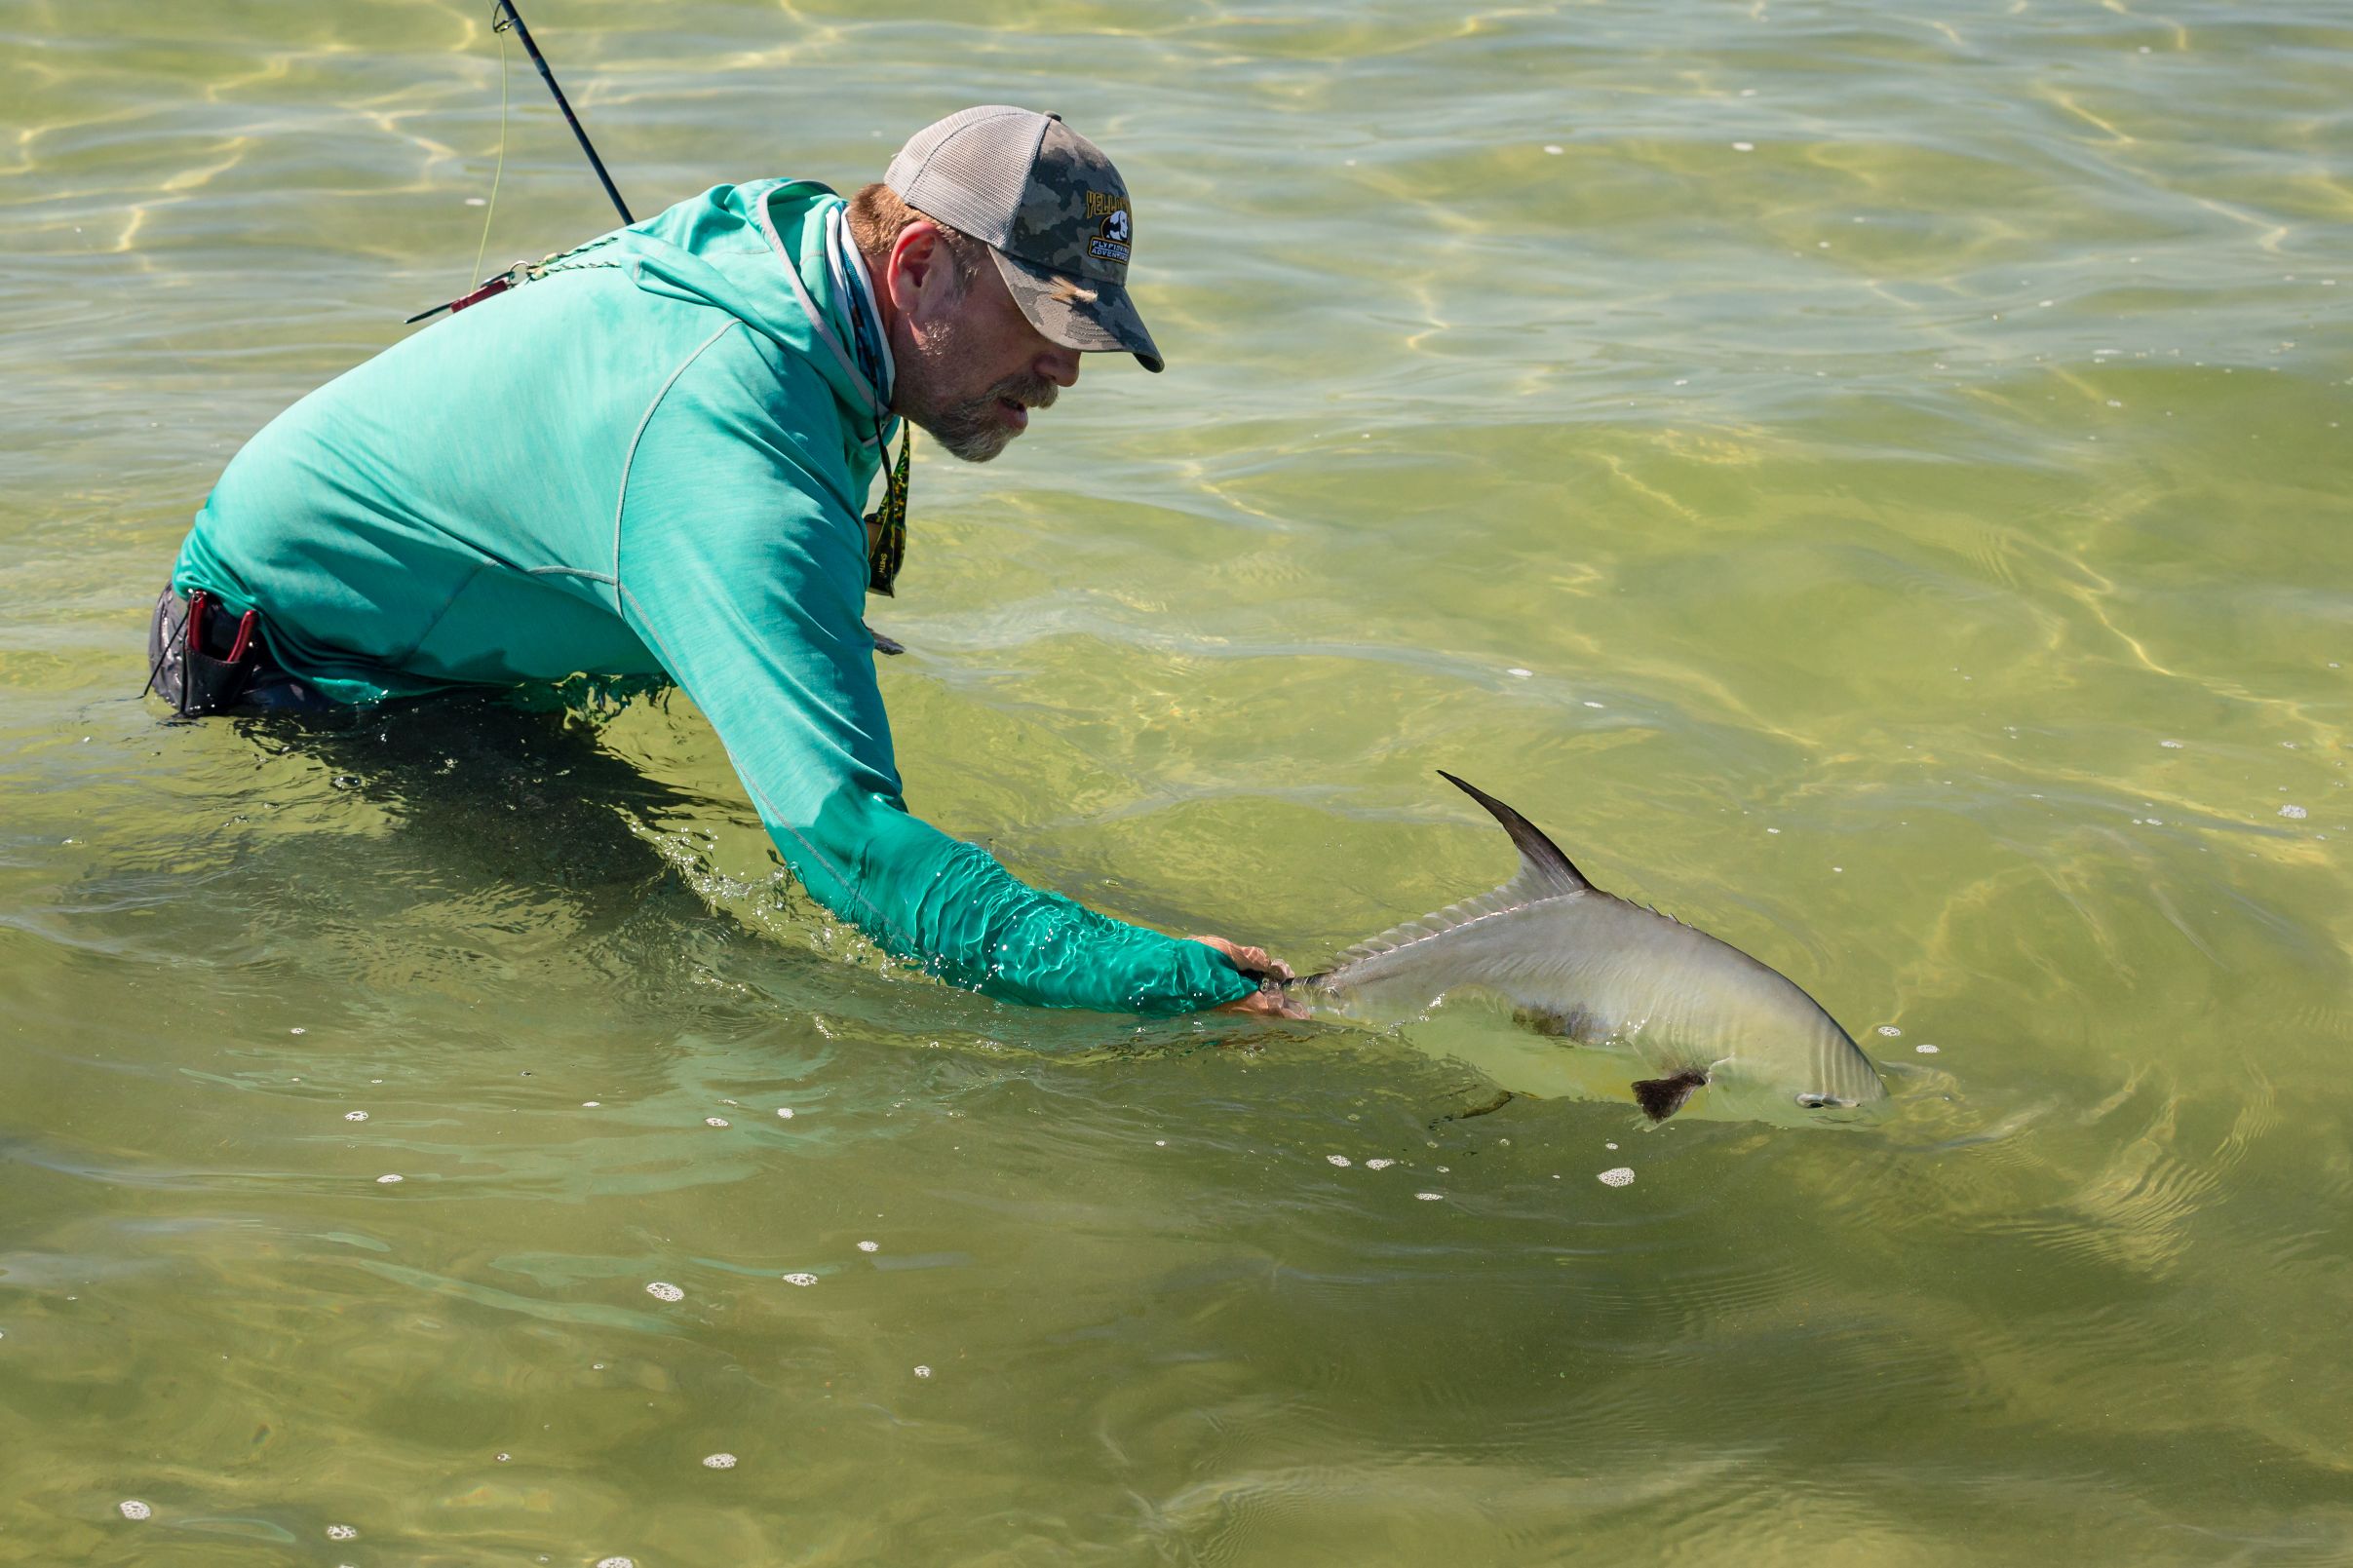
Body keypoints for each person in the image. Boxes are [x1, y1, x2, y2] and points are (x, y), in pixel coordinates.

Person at [148, 104, 1300, 1018]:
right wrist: (1151, 976)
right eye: (1047, 322)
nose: (1066, 370)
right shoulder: (728, 468)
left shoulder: (785, 245)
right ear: (914, 270)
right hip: (299, 667)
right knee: (661, 948)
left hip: (418, 613)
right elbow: (849, 852)